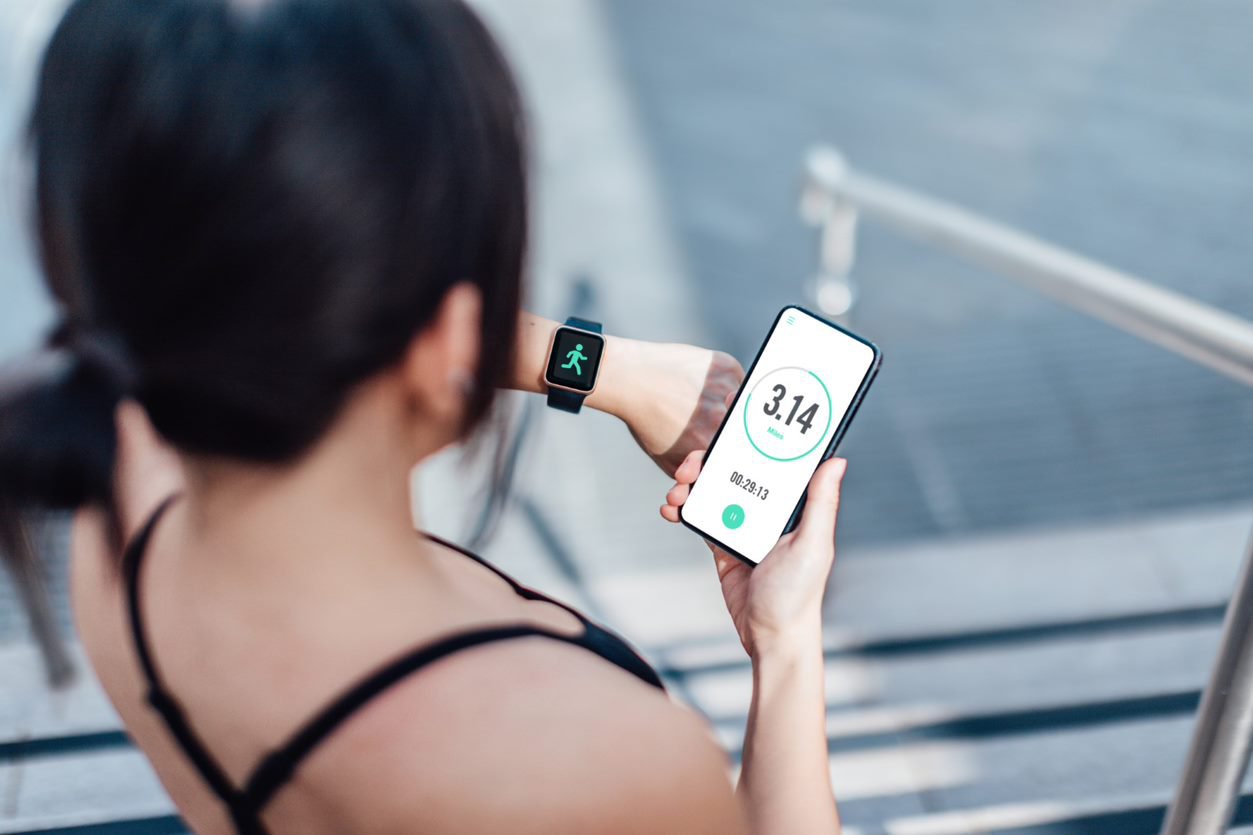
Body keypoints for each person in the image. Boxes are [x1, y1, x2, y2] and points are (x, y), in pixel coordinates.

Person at [0, 1, 848, 832]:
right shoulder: (590, 761)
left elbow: (265, 294)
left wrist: (612, 372)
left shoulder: (119, 484)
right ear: (446, 337)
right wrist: (784, 644)